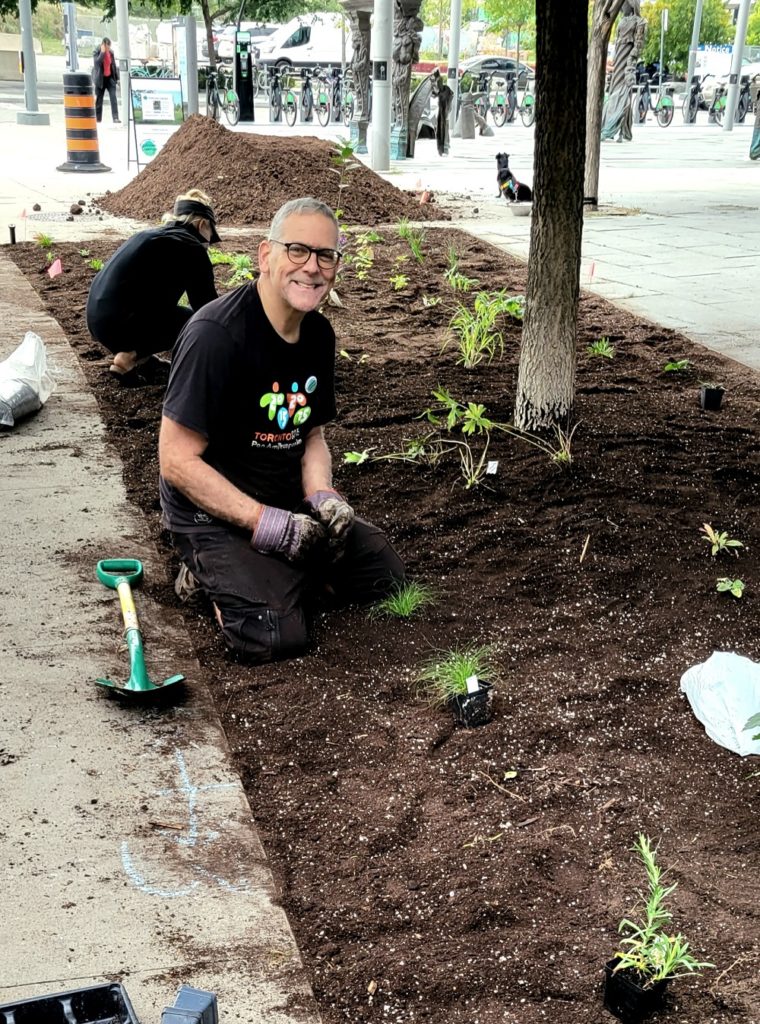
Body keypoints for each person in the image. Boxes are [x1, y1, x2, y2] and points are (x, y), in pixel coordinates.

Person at [158, 196, 406, 663]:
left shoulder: (318, 336)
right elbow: (175, 460)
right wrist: (265, 524)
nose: (312, 267)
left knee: (384, 576)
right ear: (265, 256)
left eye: (326, 255)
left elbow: (311, 437)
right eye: (297, 250)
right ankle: (205, 572)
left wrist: (322, 497)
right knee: (274, 634)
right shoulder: (215, 335)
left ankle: (266, 570)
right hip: (210, 511)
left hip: (284, 500)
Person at [86, 189, 219, 382]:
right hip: (121, 324)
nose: (209, 243)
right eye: (210, 235)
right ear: (202, 224)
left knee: (167, 311)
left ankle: (144, 360)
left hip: (97, 320)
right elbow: (205, 305)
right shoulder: (192, 246)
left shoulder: (149, 235)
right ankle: (130, 356)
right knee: (192, 320)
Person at [92, 37, 120, 124]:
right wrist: (102, 53)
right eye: (107, 46)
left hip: (110, 78)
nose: (109, 48)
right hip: (100, 78)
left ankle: (115, 117)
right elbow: (97, 63)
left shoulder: (111, 52)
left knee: (113, 98)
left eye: (109, 46)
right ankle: (98, 118)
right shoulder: (96, 51)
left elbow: (113, 66)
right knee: (99, 99)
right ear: (103, 45)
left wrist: (116, 78)